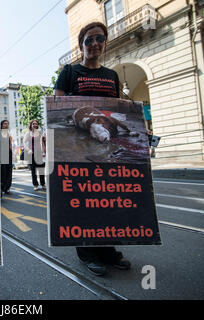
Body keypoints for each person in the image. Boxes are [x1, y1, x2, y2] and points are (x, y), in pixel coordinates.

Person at [55, 22, 131, 276]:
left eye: (99, 38)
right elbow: (57, 103)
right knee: (85, 199)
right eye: (89, 40)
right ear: (81, 45)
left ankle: (108, 250)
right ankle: (87, 252)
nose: (95, 43)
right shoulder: (70, 72)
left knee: (108, 198)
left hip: (106, 144)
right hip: (81, 142)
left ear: (104, 42)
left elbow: (118, 106)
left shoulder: (111, 75)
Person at [23, 120, 46, 191]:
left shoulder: (40, 133)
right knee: (33, 170)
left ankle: (43, 184)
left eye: (36, 124)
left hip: (40, 153)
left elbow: (43, 143)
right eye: (33, 124)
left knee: (41, 169)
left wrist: (44, 152)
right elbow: (24, 143)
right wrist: (28, 150)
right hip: (32, 153)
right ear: (31, 125)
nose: (35, 125)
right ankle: (35, 185)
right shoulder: (28, 133)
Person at [0, 120, 13, 195]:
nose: (6, 125)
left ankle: (7, 188)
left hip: (9, 153)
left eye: (8, 123)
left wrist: (11, 151)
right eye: (5, 123)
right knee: (3, 171)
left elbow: (10, 143)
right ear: (1, 125)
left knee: (9, 170)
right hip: (2, 154)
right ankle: (2, 187)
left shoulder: (8, 133)